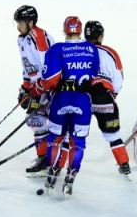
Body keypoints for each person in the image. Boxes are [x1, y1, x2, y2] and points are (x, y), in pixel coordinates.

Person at [29, 16, 99, 196]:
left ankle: (52, 174)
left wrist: (35, 90)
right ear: (80, 30)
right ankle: (70, 177)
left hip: (61, 100)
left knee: (55, 139)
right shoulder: (91, 49)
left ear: (64, 30)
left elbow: (49, 80)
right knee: (78, 143)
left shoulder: (57, 49)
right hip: (83, 101)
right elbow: (94, 76)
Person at [84, 20, 131, 177]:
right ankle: (124, 165)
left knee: (72, 134)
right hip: (104, 99)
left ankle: (59, 167)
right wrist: (110, 96)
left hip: (81, 98)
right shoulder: (110, 52)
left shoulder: (77, 51)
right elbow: (118, 80)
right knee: (113, 135)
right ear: (101, 36)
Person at [14, 5, 56, 176]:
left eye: (21, 23)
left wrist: (43, 88)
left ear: (31, 22)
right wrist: (25, 87)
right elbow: (27, 66)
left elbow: (50, 66)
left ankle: (54, 160)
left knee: (54, 123)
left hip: (51, 88)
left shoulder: (39, 36)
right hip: (38, 87)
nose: (18, 26)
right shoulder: (22, 39)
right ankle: (44, 158)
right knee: (34, 120)